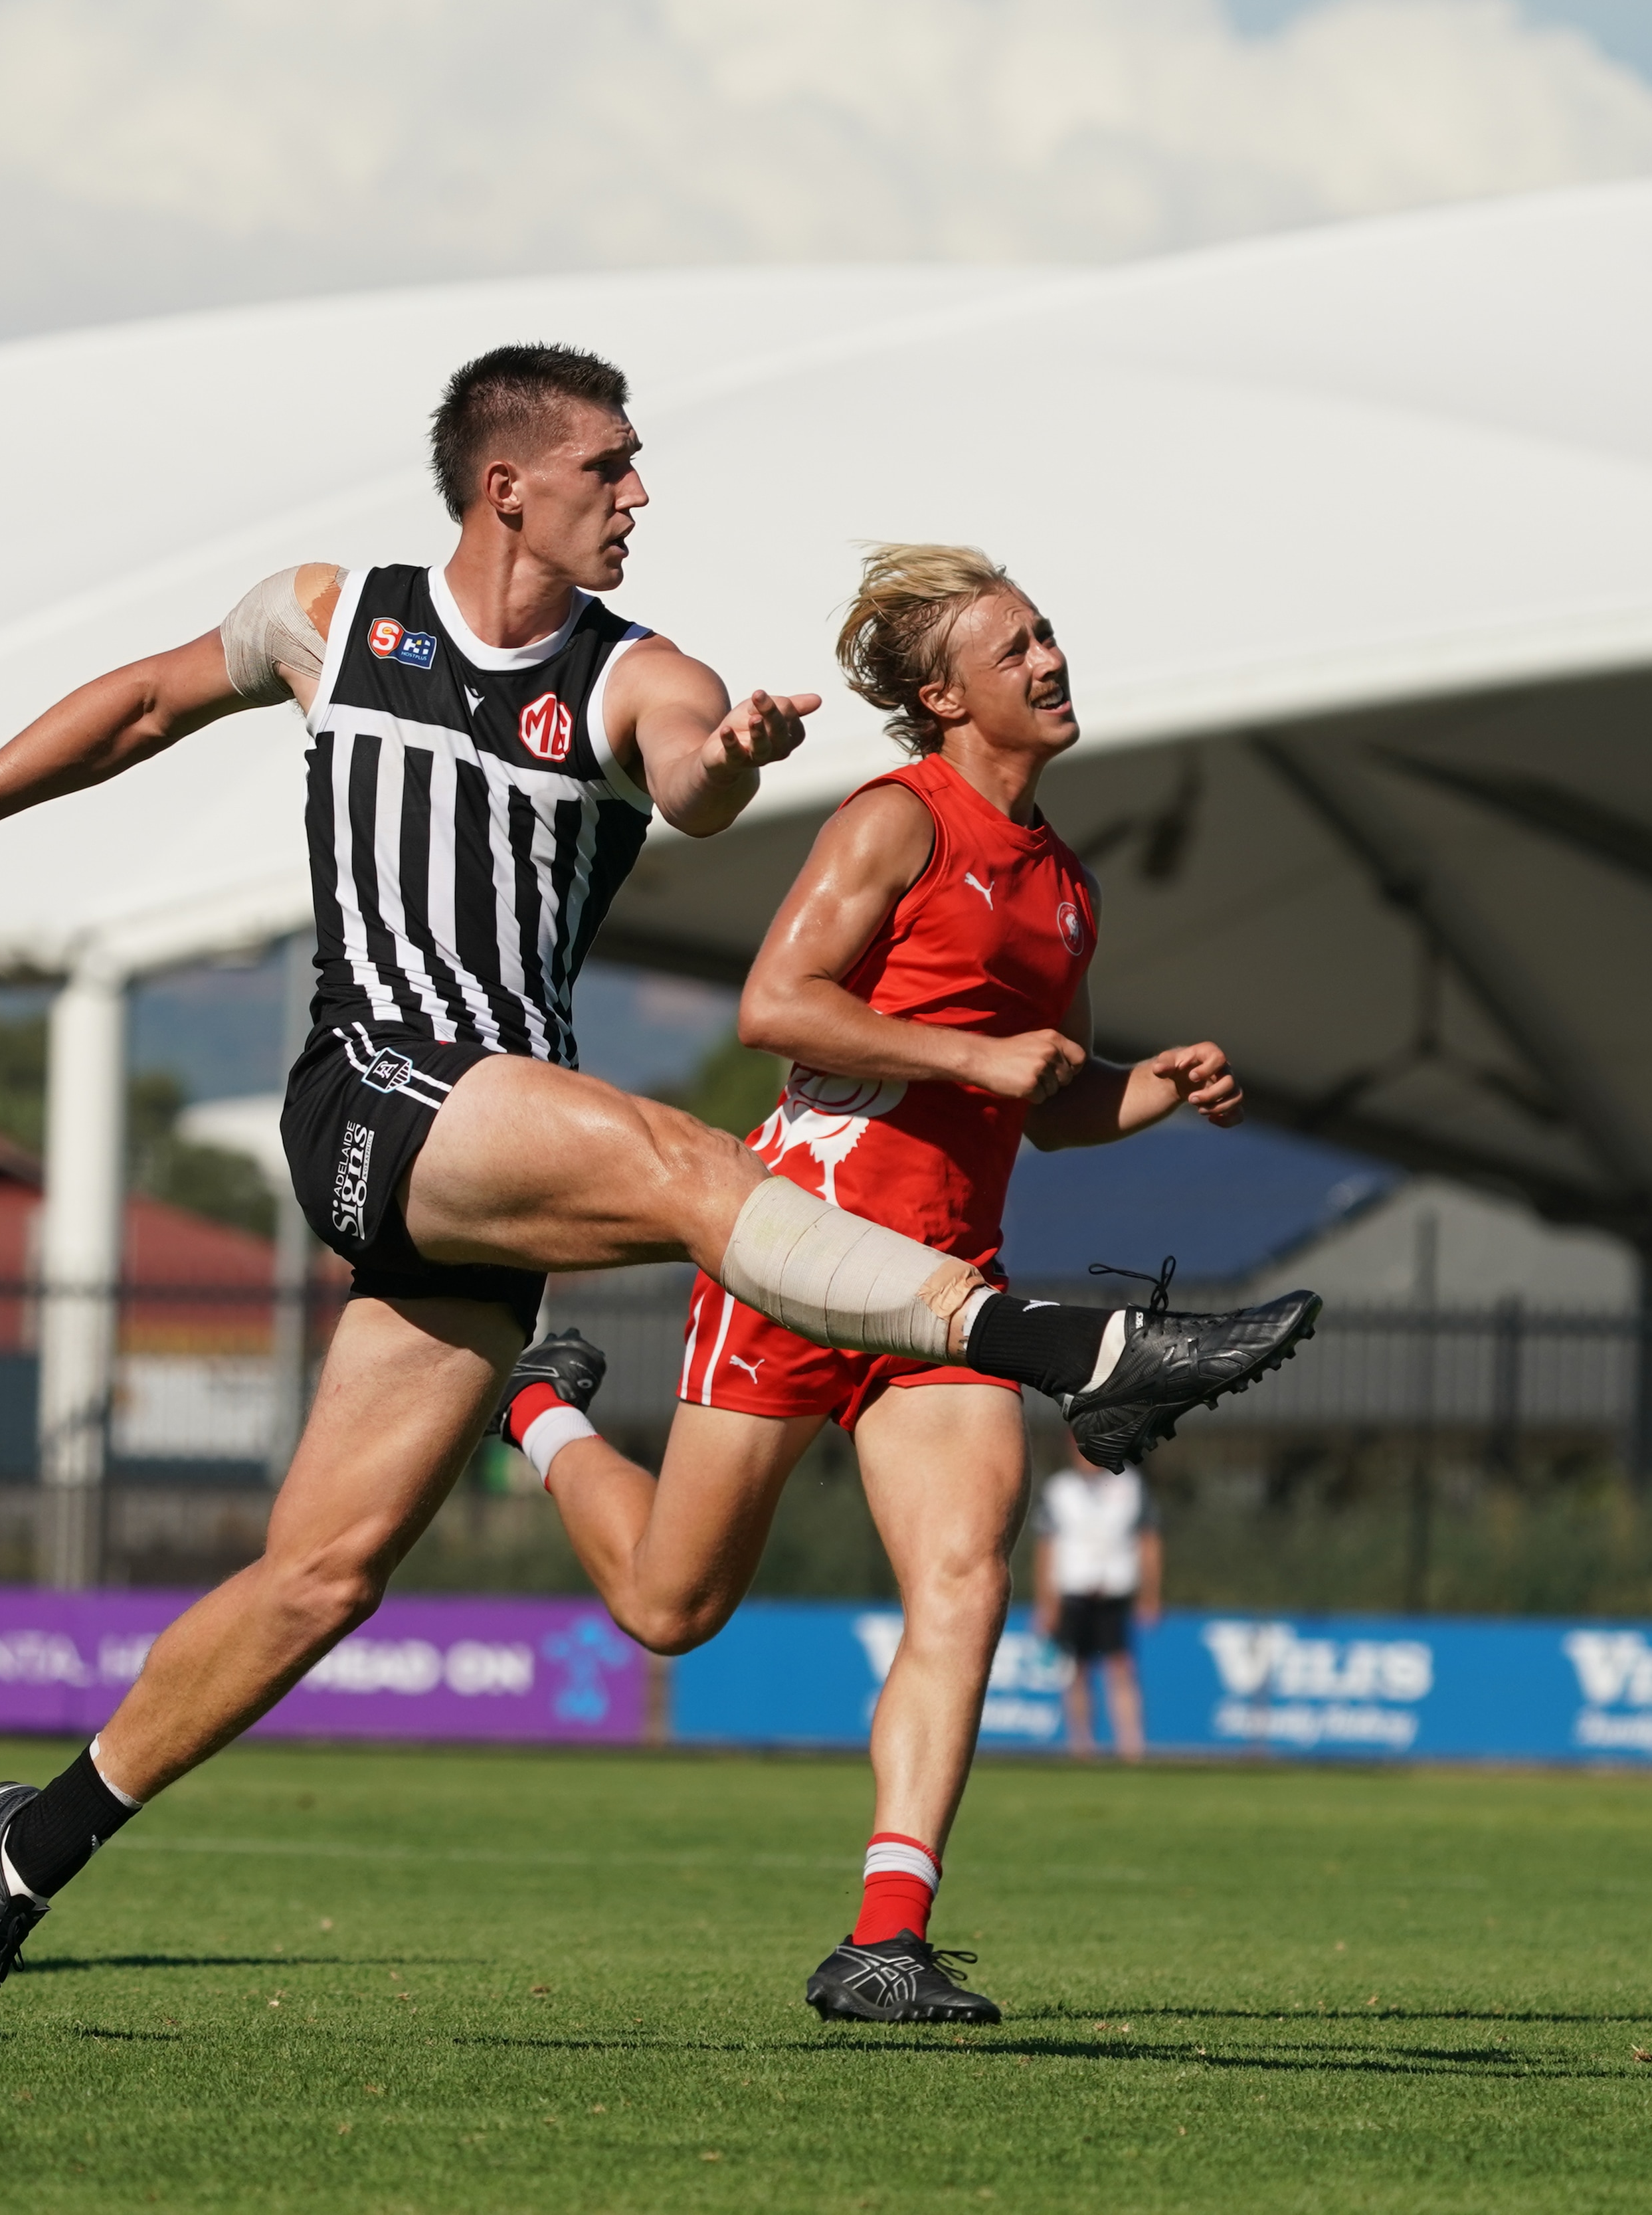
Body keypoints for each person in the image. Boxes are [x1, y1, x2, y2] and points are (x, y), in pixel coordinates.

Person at [0, 344, 1313, 2036]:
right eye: (610, 468)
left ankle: (27, 1843)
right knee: (698, 1162)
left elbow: (689, 772)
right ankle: (1059, 1344)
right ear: (508, 487)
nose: (639, 494)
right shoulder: (335, 614)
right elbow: (140, 704)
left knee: (322, 1581)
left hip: (493, 1165)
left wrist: (738, 755)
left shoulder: (638, 671)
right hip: (380, 1091)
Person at [502, 545, 1294, 2024]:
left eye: (1050, 632)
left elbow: (1047, 1103)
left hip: (951, 1286)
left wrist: (1151, 1085)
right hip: (798, 1250)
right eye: (1016, 647)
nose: (1051, 660)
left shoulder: (1064, 884)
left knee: (965, 1576)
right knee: (673, 1609)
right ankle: (543, 1414)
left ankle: (884, 1935)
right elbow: (773, 1006)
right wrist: (974, 1057)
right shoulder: (894, 819)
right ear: (941, 696)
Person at [1036, 1434, 1162, 1762]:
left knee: (1120, 1668)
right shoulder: (1059, 1490)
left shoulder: (1131, 1486)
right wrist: (1046, 1603)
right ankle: (1082, 1748)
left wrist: (1150, 1594)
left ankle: (1131, 1748)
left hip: (1114, 1591)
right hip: (1073, 1592)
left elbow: (1149, 1541)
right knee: (1075, 1670)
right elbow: (1046, 1548)